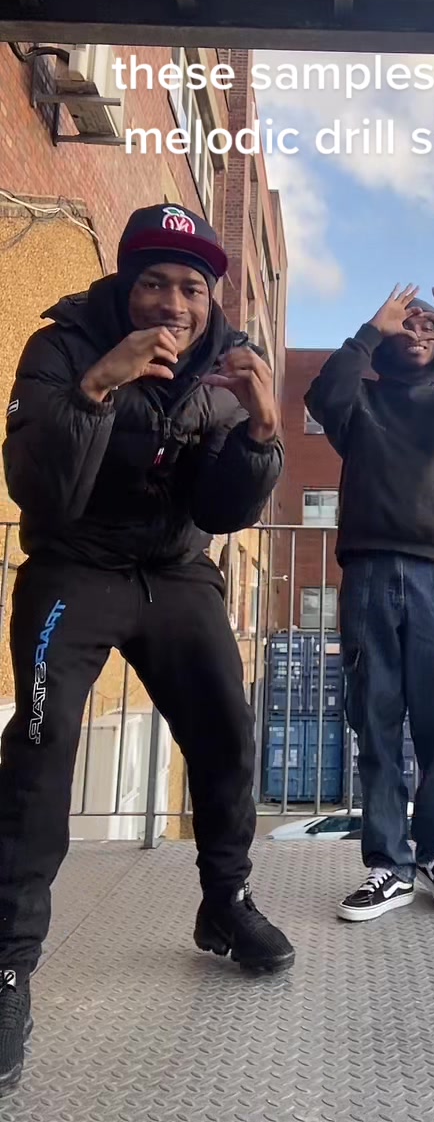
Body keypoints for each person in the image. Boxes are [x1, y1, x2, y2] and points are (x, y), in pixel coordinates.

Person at [0, 203, 294, 1097]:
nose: (173, 303)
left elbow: (221, 511)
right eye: (155, 283)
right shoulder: (62, 345)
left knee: (228, 730)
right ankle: (9, 966)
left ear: (211, 297)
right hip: (75, 564)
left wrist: (262, 435)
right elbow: (38, 488)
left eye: (191, 287)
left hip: (174, 568)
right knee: (43, 745)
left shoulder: (228, 363)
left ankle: (226, 903)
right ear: (126, 284)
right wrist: (98, 385)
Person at [305, 284, 434, 922]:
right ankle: (387, 867)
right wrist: (372, 327)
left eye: (428, 327)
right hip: (367, 572)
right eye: (408, 324)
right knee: (376, 720)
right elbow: (322, 395)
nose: (418, 331)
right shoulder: (359, 402)